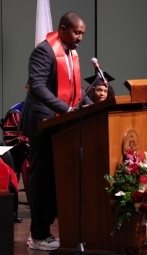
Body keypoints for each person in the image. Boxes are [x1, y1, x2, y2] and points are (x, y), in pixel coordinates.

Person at [18, 11, 92, 251]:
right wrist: (66, 109)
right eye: (76, 32)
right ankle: (37, 235)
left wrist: (92, 106)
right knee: (42, 181)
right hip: (42, 124)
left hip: (59, 125)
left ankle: (46, 231)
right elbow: (37, 86)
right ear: (62, 28)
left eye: (82, 33)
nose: (80, 37)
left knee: (54, 180)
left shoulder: (71, 53)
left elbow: (74, 87)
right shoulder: (45, 50)